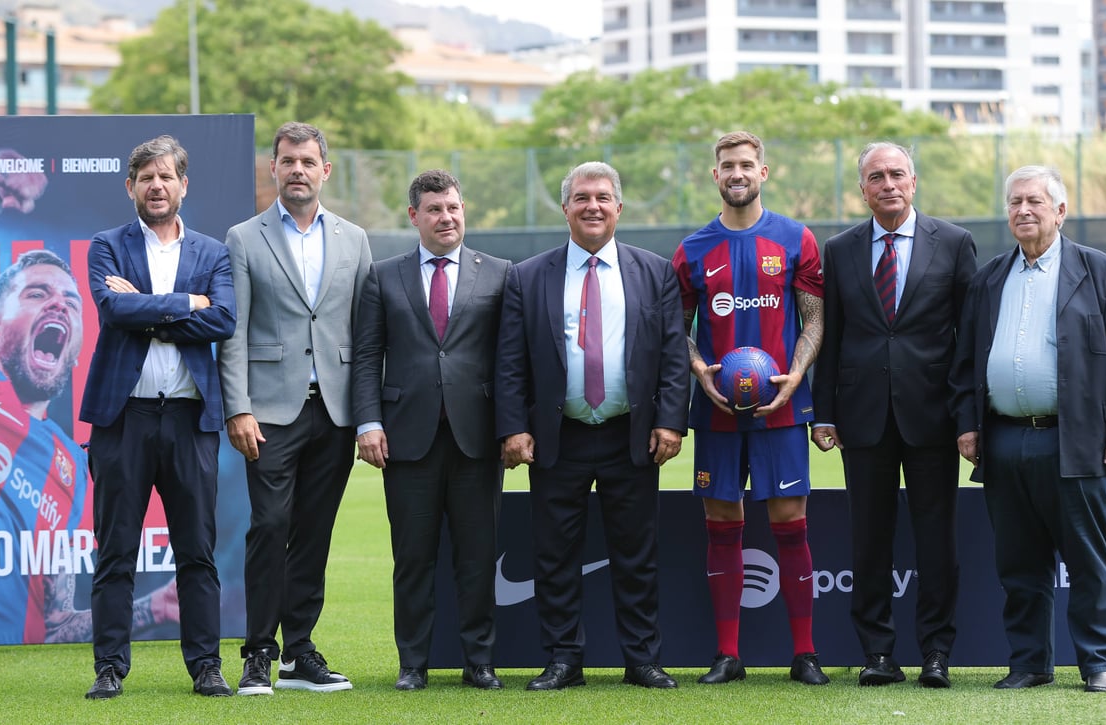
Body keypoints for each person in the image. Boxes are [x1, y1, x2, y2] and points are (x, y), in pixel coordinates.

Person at [0, 154, 177, 649]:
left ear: (75, 348)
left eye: (71, 302)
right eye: (35, 294)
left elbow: (56, 622)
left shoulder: (71, 464)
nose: (58, 305)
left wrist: (155, 607)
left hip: (23, 664)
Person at [950, 165, 1106, 693]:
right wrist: (968, 424)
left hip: (1078, 439)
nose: (1023, 211)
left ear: (1060, 211)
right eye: (1014, 202)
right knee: (1019, 566)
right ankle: (1030, 664)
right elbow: (967, 360)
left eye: (1035, 201)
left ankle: (1101, 663)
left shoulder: (1099, 270)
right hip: (1005, 438)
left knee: (1090, 563)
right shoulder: (990, 277)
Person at [495, 161, 688, 691]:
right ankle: (563, 659)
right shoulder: (527, 275)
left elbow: (673, 353)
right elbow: (511, 361)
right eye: (582, 198)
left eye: (603, 197)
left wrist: (671, 420)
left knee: (637, 554)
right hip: (559, 436)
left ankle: (642, 659)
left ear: (619, 207)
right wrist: (514, 427)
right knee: (555, 555)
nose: (593, 206)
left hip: (633, 434)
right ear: (566, 209)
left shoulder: (654, 272)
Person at [810, 141, 977, 688]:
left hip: (933, 418)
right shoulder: (839, 249)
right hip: (861, 419)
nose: (888, 184)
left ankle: (936, 653)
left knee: (937, 542)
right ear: (862, 188)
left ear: (914, 181)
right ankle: (878, 654)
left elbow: (968, 338)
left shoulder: (953, 243)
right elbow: (830, 337)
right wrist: (824, 412)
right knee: (869, 540)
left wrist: (967, 415)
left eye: (897, 173)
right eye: (876, 176)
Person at [78, 135, 236, 699]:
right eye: (146, 177)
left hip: (191, 420)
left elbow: (222, 321)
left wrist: (149, 310)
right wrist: (184, 303)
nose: (156, 186)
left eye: (166, 176)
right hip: (123, 419)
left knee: (196, 550)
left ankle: (206, 668)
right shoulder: (106, 245)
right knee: (116, 550)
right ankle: (110, 668)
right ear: (130, 187)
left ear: (183, 184)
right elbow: (111, 308)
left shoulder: (212, 252)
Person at [219, 122, 372, 695]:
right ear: (274, 169)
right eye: (288, 161)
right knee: (269, 526)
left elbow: (366, 330)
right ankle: (259, 651)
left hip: (335, 411)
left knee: (314, 532)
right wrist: (238, 407)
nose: (298, 170)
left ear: (325, 170)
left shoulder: (355, 239)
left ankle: (297, 651)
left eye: (309, 161)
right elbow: (232, 333)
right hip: (269, 410)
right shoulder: (244, 237)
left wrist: (367, 414)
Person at [671, 131, 827, 686]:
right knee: (722, 521)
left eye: (746, 165)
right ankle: (728, 655)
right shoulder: (691, 249)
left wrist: (797, 377)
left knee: (790, 521)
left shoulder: (795, 239)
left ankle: (805, 653)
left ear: (764, 172)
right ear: (715, 176)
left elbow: (815, 319)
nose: (736, 173)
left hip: (781, 409)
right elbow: (678, 329)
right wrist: (698, 372)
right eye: (726, 165)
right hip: (716, 411)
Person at [352, 170, 510, 692]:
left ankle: (479, 662)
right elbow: (368, 355)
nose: (447, 217)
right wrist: (369, 422)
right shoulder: (382, 275)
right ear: (414, 216)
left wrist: (512, 429)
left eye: (454, 208)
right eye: (436, 209)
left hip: (477, 438)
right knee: (413, 559)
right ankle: (412, 664)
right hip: (405, 439)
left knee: (477, 557)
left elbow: (511, 360)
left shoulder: (500, 273)